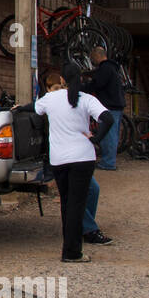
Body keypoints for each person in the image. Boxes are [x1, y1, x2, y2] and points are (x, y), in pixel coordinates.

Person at [20, 63, 113, 262]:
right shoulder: (87, 99)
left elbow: (33, 108)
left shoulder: (50, 98)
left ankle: (69, 249)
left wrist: (18, 108)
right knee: (77, 205)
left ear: (62, 80)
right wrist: (96, 139)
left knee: (66, 204)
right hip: (83, 157)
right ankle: (72, 252)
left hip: (59, 159)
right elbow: (109, 118)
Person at [43, 70, 115, 245]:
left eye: (61, 87)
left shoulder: (71, 99)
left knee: (88, 192)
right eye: (55, 88)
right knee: (74, 198)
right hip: (64, 157)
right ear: (47, 88)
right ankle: (87, 230)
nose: (59, 91)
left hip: (69, 156)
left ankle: (80, 227)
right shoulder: (49, 101)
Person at [82, 46, 125, 171]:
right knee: (113, 135)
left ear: (97, 55)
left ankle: (108, 162)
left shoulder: (105, 68)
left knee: (108, 134)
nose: (92, 60)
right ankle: (109, 160)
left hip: (109, 105)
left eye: (92, 57)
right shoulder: (113, 68)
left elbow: (97, 84)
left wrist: (81, 88)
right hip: (117, 105)